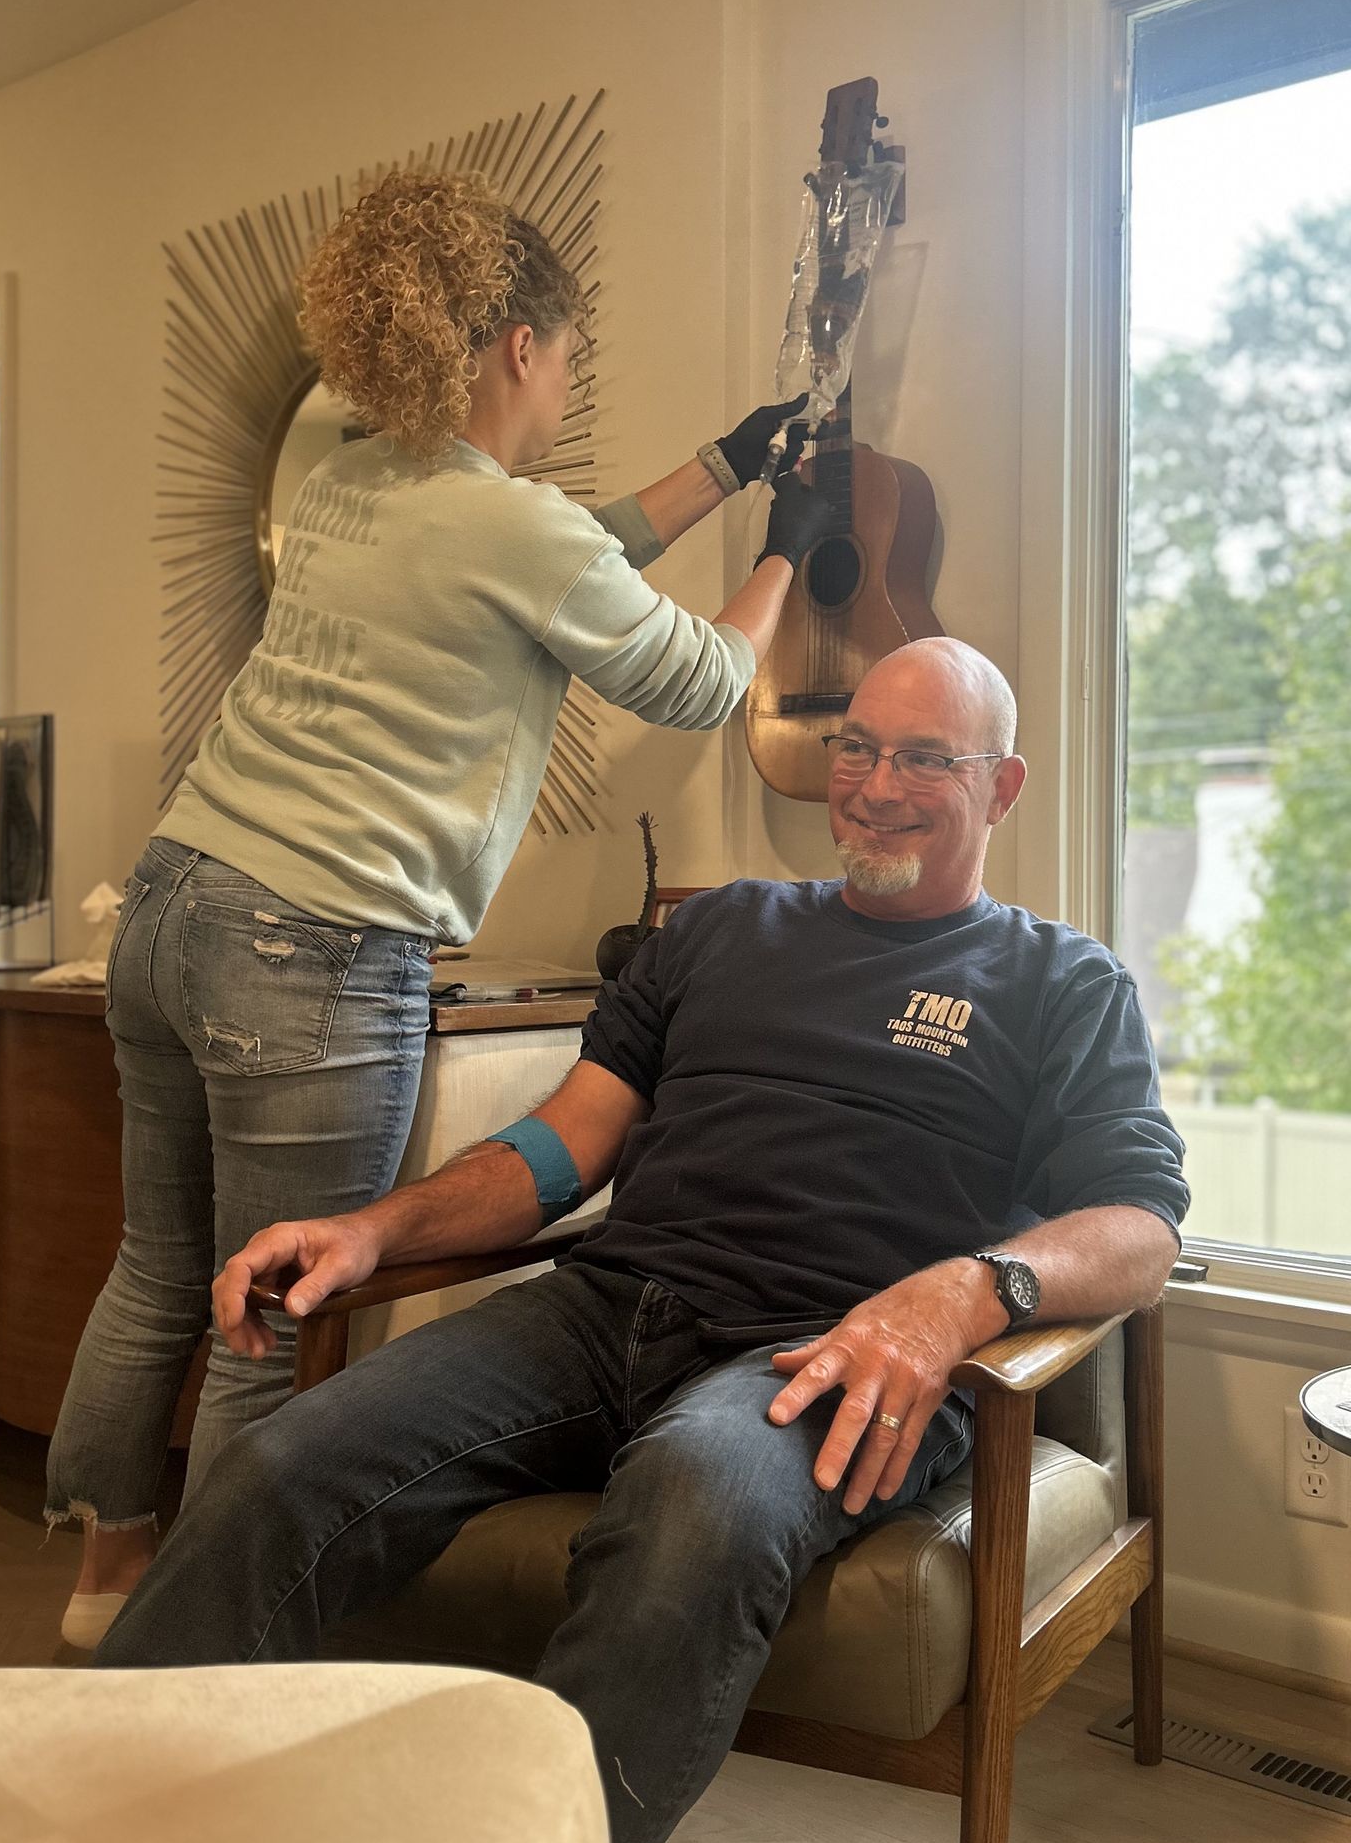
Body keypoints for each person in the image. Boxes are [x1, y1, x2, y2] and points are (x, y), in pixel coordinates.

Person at [94, 638, 1188, 1843]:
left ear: (1000, 788)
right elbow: (568, 1144)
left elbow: (1142, 1225)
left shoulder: (1061, 982)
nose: (877, 784)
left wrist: (962, 1291)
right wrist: (375, 1230)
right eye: (858, 748)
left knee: (695, 1503)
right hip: (603, 1308)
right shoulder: (725, 928)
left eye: (927, 759)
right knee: (281, 1463)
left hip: (821, 1357)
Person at [47, 168, 833, 1647]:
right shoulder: (510, 531)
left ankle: (108, 1588)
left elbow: (565, 542)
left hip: (167, 906)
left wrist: (721, 465)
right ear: (520, 347)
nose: (564, 388)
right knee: (268, 1309)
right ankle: (215, 1655)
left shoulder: (344, 482)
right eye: (567, 359)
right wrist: (785, 541)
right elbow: (702, 675)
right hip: (307, 944)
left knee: (160, 1263)